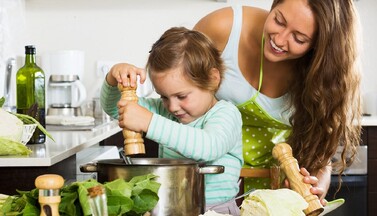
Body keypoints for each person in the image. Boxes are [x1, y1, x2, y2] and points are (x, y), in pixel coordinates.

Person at [193, 0, 362, 205]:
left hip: (277, 198)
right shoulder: (223, 27)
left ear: (320, 47)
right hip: (210, 188)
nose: (280, 40)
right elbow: (175, 80)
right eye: (279, 21)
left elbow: (321, 160)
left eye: (299, 39)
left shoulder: (325, 80)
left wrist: (317, 186)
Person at [101, 27, 243, 214]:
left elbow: (208, 147)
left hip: (216, 211)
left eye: (181, 96)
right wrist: (113, 79)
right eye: (164, 97)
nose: (172, 107)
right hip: (169, 208)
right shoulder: (164, 112)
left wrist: (149, 122)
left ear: (212, 79)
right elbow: (117, 109)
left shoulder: (226, 114)